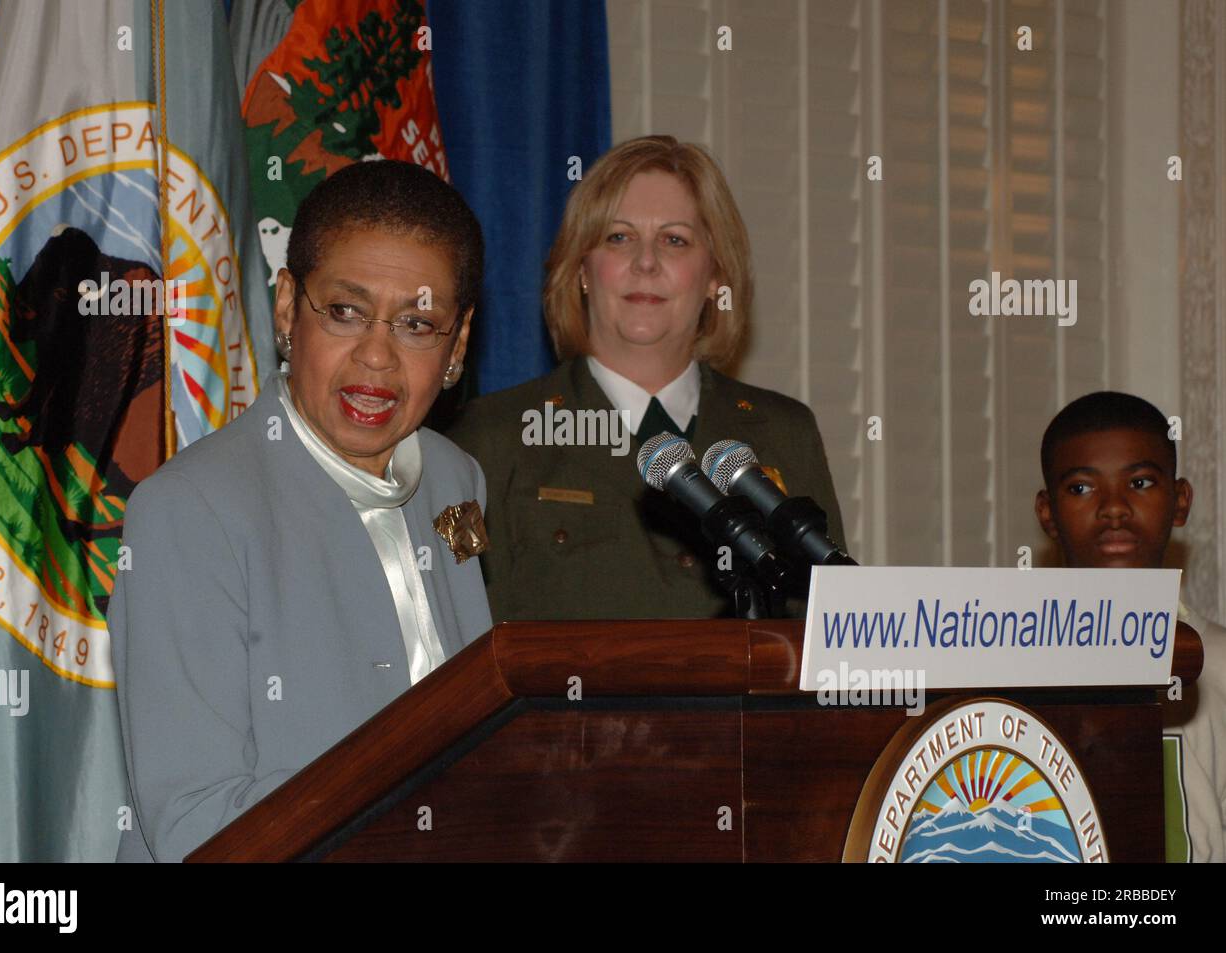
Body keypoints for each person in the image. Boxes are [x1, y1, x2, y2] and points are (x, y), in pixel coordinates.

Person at [108, 160, 491, 862]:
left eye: (417, 323)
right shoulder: (188, 510)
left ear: (458, 343)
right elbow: (197, 822)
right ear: (287, 307)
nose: (376, 358)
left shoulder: (454, 474)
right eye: (344, 312)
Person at [447, 135, 844, 621]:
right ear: (582, 270)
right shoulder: (493, 436)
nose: (646, 261)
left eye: (674, 240)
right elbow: (466, 654)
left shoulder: (785, 432)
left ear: (715, 276)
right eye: (618, 237)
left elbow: (830, 641)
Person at [1034, 391, 1226, 861]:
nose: (1114, 508)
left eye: (1139, 483)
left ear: (1180, 502)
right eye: (1082, 487)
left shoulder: (1220, 664)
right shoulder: (1009, 663)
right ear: (1047, 514)